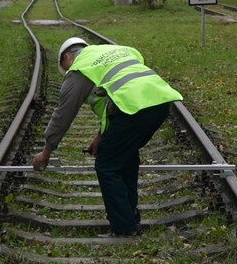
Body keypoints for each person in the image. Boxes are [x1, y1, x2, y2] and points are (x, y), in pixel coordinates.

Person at [32, 38, 183, 236]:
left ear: (67, 57)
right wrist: (101, 136)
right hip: (160, 101)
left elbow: (63, 114)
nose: (67, 73)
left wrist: (46, 151)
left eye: (65, 68)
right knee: (125, 156)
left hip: (133, 108)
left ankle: (124, 229)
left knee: (107, 165)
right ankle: (129, 215)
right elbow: (119, 95)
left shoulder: (80, 68)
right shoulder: (117, 51)